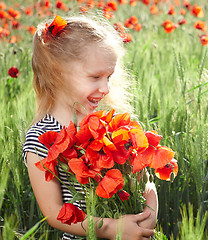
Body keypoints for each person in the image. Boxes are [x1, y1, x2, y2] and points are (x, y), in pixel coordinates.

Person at [22, 14, 158, 240]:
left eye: (109, 76)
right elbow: (54, 212)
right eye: (95, 76)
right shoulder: (40, 138)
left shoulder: (110, 123)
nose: (105, 88)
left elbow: (144, 179)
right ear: (58, 74)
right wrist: (112, 228)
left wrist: (150, 211)